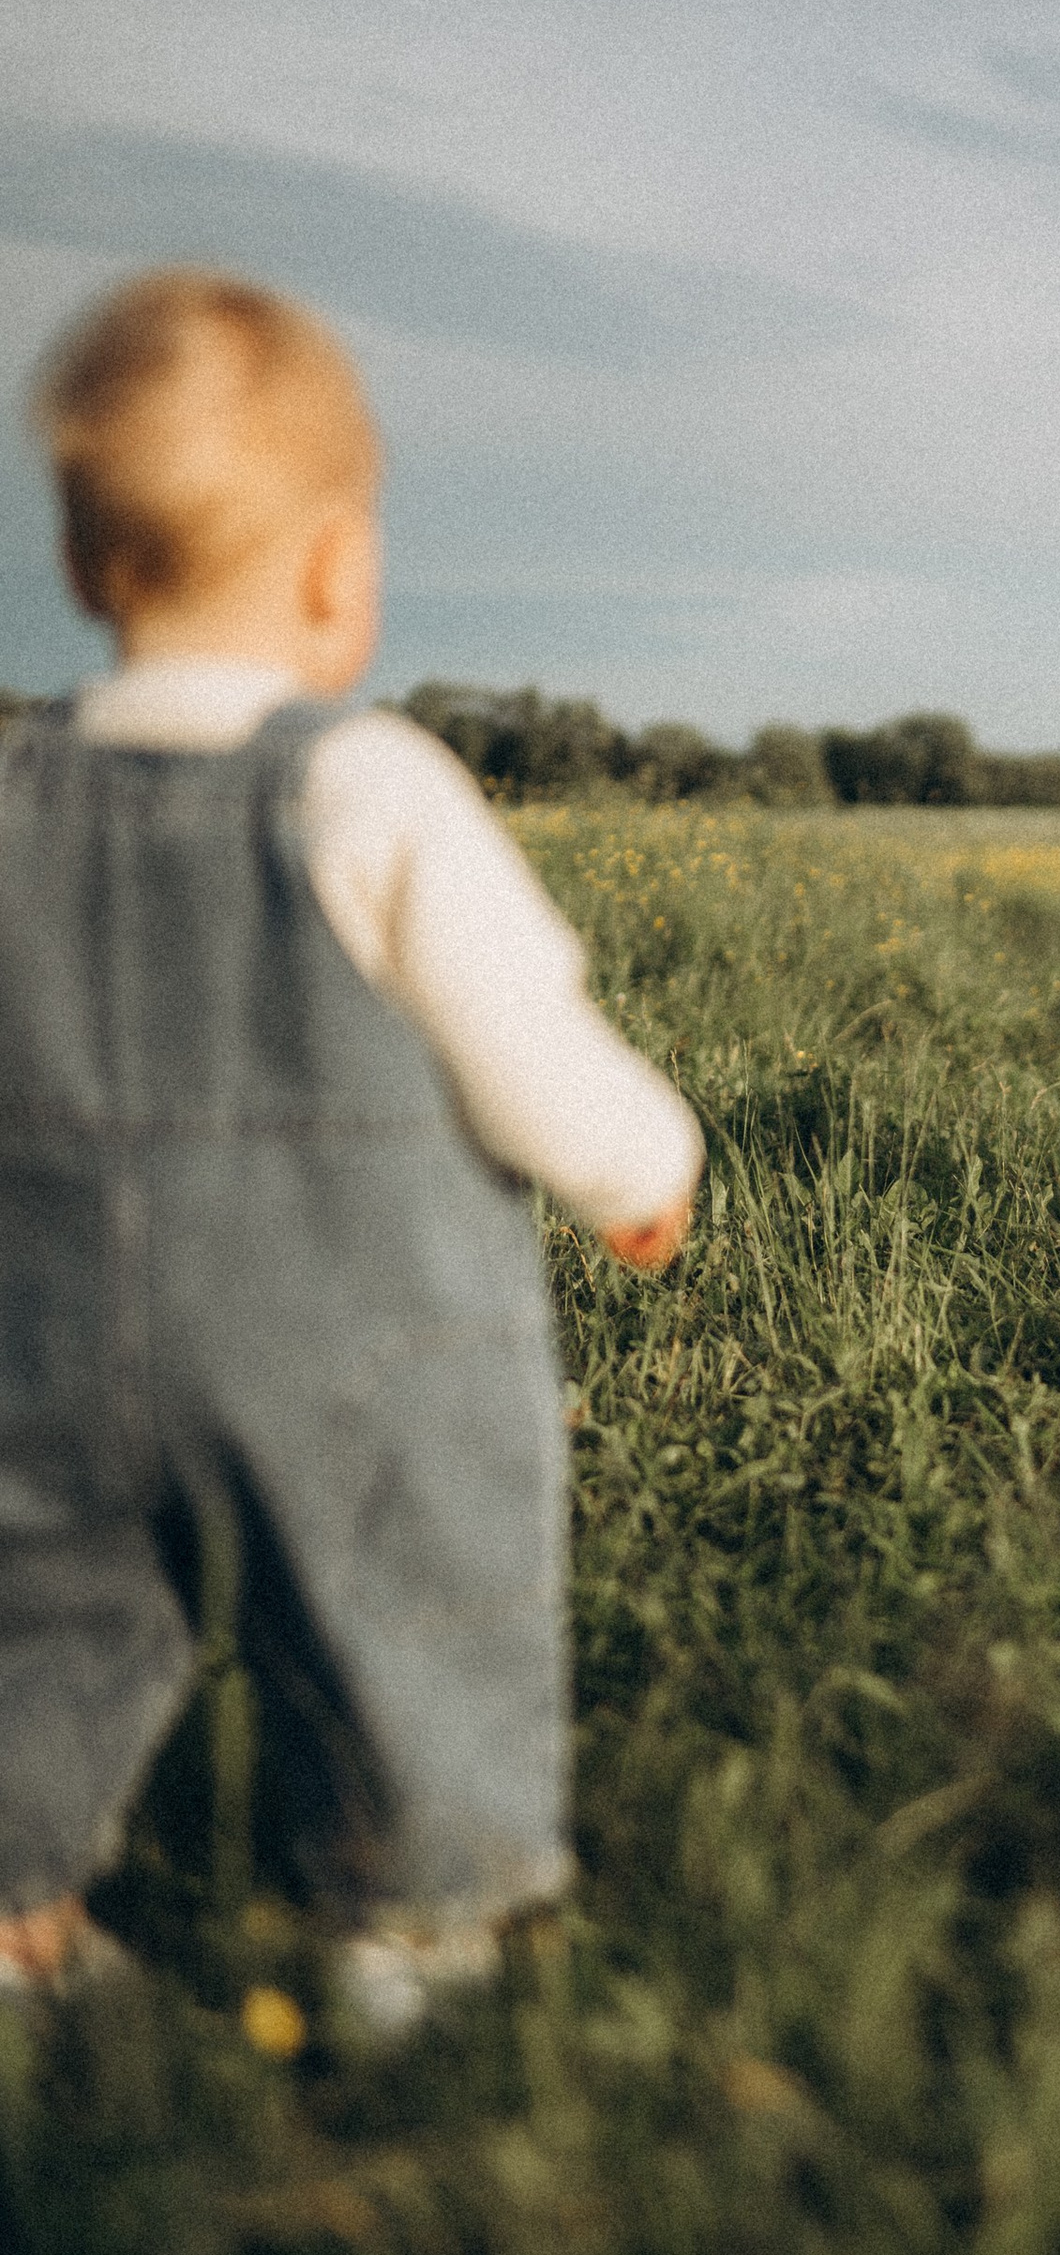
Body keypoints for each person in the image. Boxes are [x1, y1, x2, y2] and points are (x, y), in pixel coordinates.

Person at [0, 270, 702, 2033]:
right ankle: (414, 1931)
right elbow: (517, 1037)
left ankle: (12, 1918)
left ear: (88, 570)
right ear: (335, 568)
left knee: (46, 1602)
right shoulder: (365, 783)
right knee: (409, 1589)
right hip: (355, 1334)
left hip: (52, 1320)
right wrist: (640, 1166)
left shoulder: (15, 796)